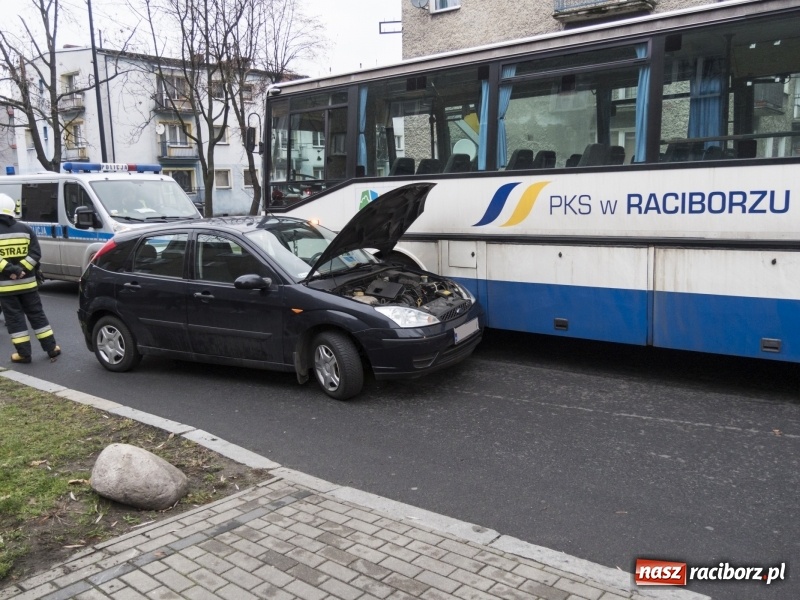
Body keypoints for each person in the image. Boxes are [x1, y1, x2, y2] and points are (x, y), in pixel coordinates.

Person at [0, 193, 60, 363]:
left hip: (6, 288)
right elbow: (35, 253)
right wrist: (22, 270)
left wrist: (11, 270)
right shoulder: (25, 229)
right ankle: (51, 348)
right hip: (28, 284)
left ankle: (24, 354)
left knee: (15, 320)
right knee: (37, 316)